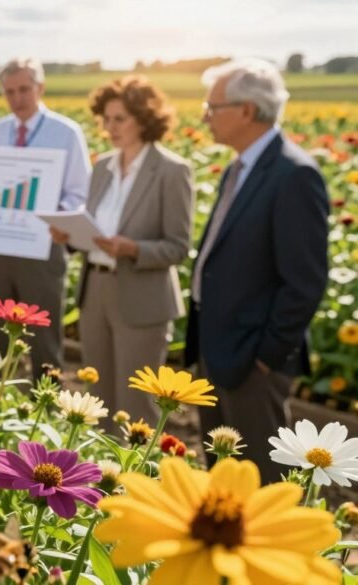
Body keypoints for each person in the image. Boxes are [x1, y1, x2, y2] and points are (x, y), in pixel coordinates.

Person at [187, 58, 329, 484]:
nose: (205, 116)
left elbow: (304, 282)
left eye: (213, 107)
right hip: (217, 347)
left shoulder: (294, 174)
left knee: (264, 484)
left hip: (251, 361)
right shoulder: (241, 166)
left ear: (247, 110)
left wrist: (266, 357)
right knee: (224, 480)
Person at [50, 76, 193, 431]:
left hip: (141, 298)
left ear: (145, 119)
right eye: (106, 119)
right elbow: (93, 230)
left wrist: (132, 249)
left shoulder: (172, 171)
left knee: (135, 405)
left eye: (119, 119)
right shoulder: (102, 168)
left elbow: (178, 246)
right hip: (94, 291)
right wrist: (68, 235)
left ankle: (135, 484)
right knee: (97, 400)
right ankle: (100, 480)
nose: (109, 127)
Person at [0, 58, 91, 376]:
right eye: (10, 91)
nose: (17, 98)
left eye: (24, 89)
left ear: (40, 88)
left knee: (44, 338)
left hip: (43, 248)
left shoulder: (65, 132)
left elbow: (78, 192)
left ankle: (47, 408)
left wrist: (56, 219)